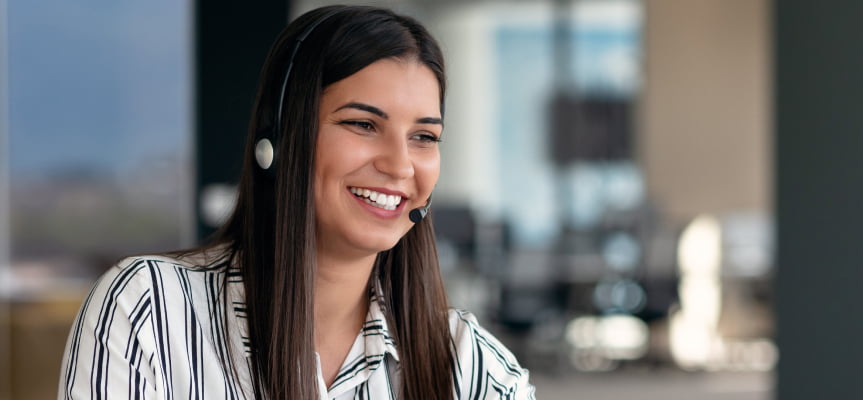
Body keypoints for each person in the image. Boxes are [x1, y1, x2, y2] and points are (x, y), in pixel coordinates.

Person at [58, 5, 535, 399]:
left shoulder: (471, 368)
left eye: (424, 136)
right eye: (363, 125)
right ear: (279, 139)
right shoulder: (152, 314)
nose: (400, 165)